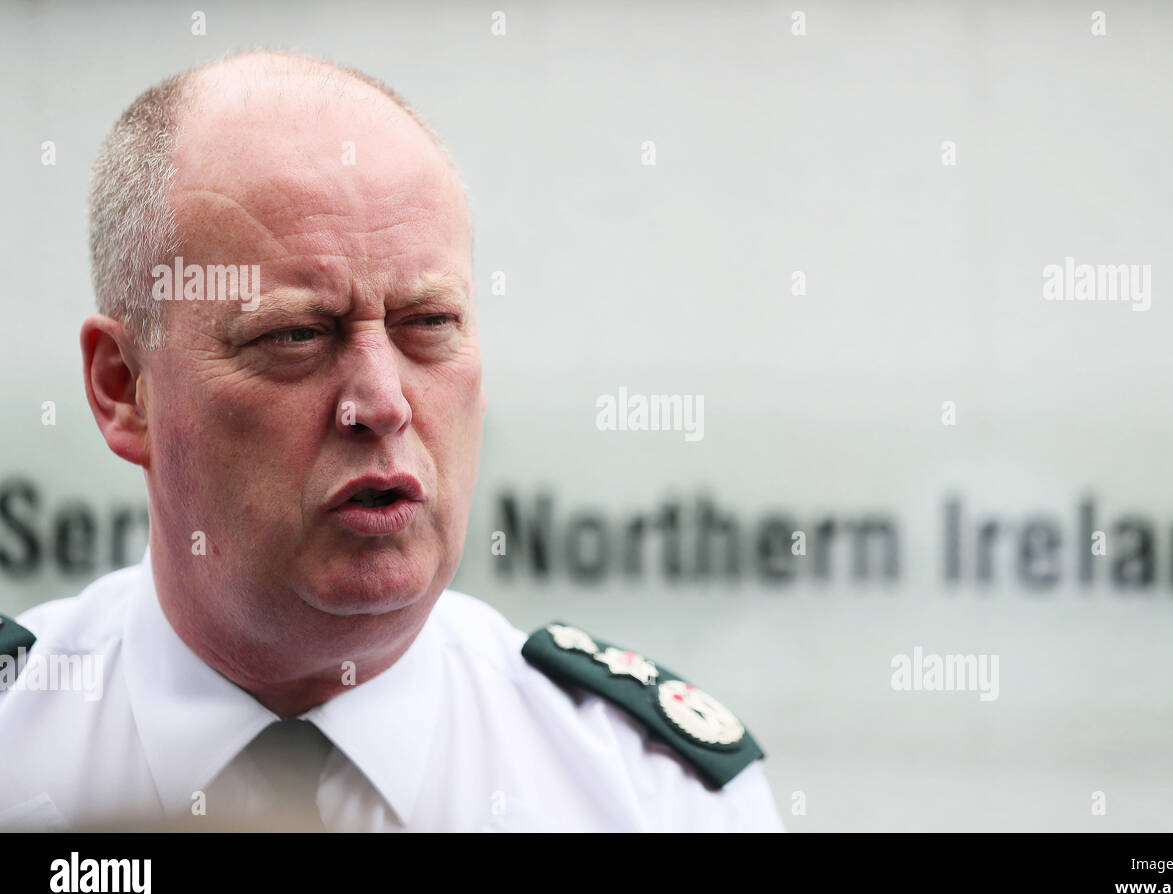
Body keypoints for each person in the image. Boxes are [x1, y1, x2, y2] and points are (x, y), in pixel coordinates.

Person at [0, 50, 782, 832]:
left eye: (429, 325)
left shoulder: (648, 797)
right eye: (296, 334)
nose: (381, 402)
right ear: (121, 388)